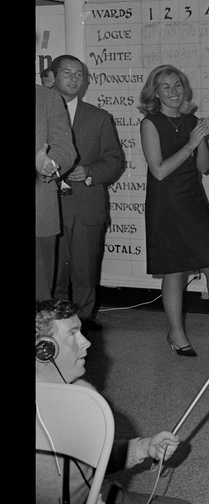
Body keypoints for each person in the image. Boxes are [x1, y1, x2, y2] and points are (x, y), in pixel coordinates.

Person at [36, 298, 209, 504]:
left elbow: (95, 458)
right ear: (44, 350)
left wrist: (144, 448)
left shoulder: (85, 397)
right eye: (73, 334)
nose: (86, 342)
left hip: (96, 500)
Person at [138, 64, 209, 356]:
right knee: (176, 270)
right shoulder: (150, 122)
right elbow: (158, 171)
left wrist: (201, 139)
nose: (173, 91)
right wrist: (191, 142)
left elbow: (204, 167)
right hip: (166, 202)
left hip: (193, 199)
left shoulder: (192, 120)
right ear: (154, 92)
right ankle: (176, 333)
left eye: (177, 85)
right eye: (165, 86)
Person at [51, 55, 124, 332]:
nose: (73, 78)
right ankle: (54, 326)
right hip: (49, 205)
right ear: (53, 77)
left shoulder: (99, 117)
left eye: (79, 74)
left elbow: (114, 160)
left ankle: (81, 324)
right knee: (53, 273)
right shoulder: (39, 114)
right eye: (67, 73)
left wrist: (90, 171)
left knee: (84, 271)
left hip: (86, 204)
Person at [36, 84, 76, 302]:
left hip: (39, 210)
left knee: (39, 301)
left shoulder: (48, 98)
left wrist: (49, 163)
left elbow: (66, 149)